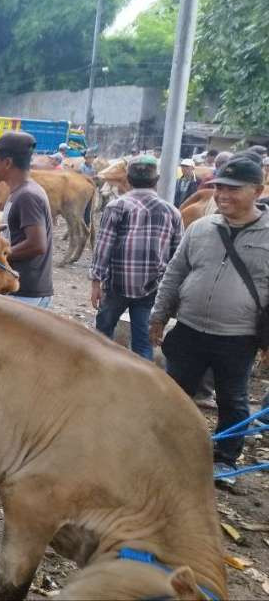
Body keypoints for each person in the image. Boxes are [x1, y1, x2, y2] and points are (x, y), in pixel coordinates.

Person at [150, 155, 269, 486]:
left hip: (238, 337)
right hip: (188, 330)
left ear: (258, 191)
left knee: (233, 400)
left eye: (234, 189)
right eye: (219, 187)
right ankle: (162, 452)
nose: (223, 195)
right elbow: (175, 272)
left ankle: (226, 460)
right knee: (173, 394)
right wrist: (159, 315)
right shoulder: (201, 228)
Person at [90, 156, 182, 360]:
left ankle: (100, 373)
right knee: (142, 341)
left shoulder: (117, 206)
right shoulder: (172, 212)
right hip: (151, 289)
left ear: (128, 179)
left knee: (102, 335)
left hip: (116, 286)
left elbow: (104, 247)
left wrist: (96, 281)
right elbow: (177, 259)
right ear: (156, 179)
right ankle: (141, 380)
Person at [0, 131, 54, 308]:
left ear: (8, 162)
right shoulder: (20, 192)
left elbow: (37, 244)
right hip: (21, 289)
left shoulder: (27, 196)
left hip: (27, 292)